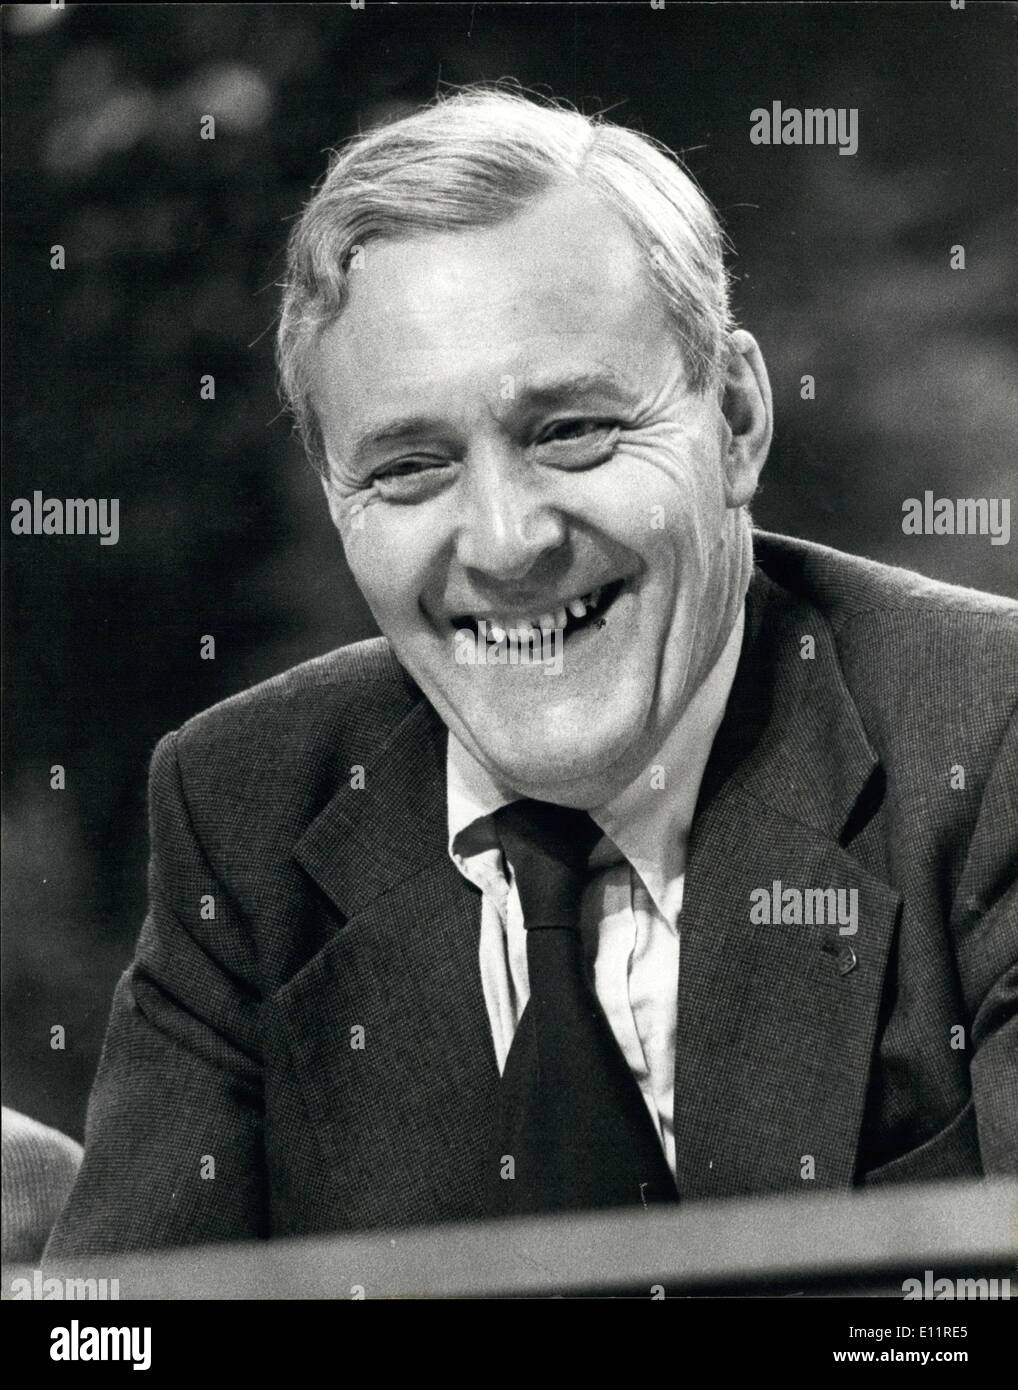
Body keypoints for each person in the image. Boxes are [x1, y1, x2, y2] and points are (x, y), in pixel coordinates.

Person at [46, 88, 1017, 1257]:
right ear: (335, 501)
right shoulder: (241, 807)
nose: (506, 543)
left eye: (571, 431)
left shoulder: (988, 740)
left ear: (739, 419)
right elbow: (112, 1339)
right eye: (409, 466)